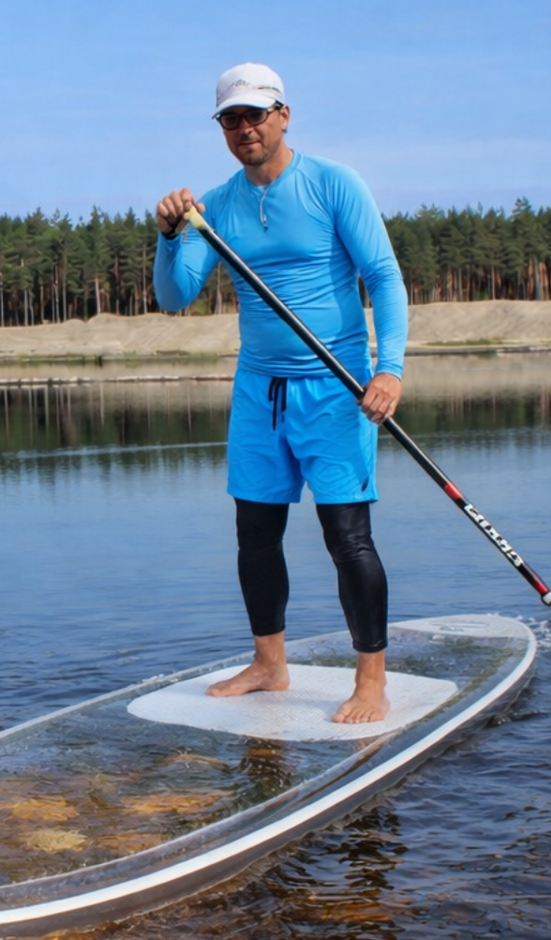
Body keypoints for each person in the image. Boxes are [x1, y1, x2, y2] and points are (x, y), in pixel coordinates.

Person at [152, 62, 409, 723]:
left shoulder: (332, 184)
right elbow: (174, 296)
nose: (244, 130)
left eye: (254, 116)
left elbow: (383, 277)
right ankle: (270, 665)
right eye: (230, 120)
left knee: (346, 537)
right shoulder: (217, 206)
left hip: (336, 386)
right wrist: (169, 236)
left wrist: (390, 370)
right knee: (255, 535)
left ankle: (372, 682)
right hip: (257, 393)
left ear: (283, 115)